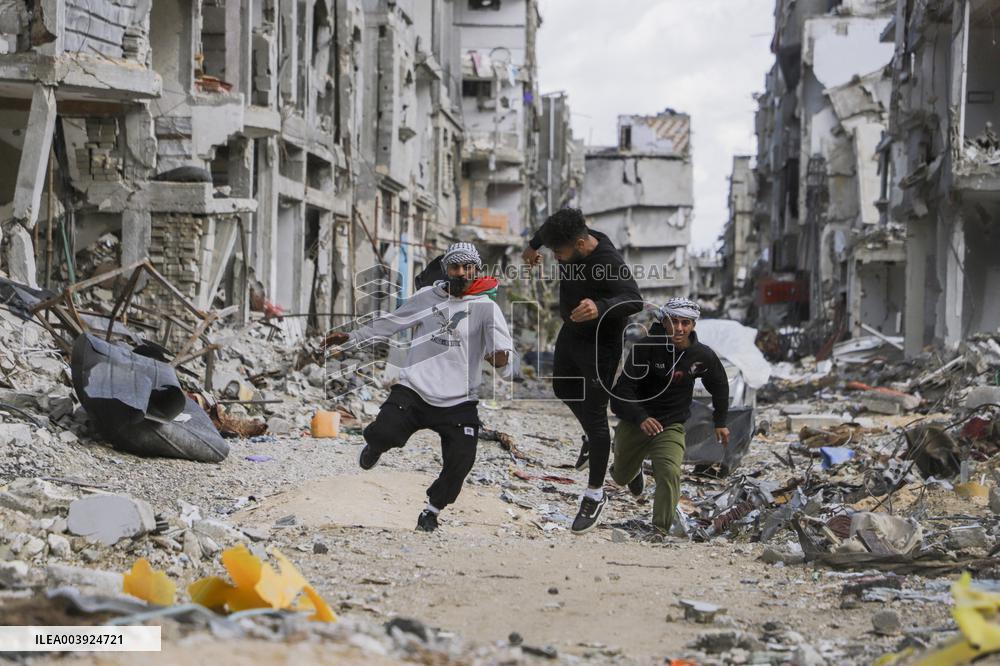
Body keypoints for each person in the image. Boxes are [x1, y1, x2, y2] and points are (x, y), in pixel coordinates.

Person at [328, 242, 512, 532]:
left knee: (462, 460)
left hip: (459, 400)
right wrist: (351, 339)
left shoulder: (487, 308)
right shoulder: (428, 297)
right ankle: (375, 446)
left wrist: (499, 358)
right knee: (384, 432)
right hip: (415, 389)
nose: (461, 272)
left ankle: (432, 510)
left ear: (477, 270)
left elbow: (502, 356)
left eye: (468, 267)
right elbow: (389, 324)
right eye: (455, 266)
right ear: (446, 269)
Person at [522, 208, 642, 534]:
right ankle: (596, 440)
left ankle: (595, 494)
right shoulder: (569, 239)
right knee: (562, 388)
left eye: (558, 253)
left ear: (579, 242)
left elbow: (634, 300)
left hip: (601, 345)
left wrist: (600, 307)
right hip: (572, 331)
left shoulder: (608, 261)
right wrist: (533, 246)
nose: (556, 258)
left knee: (596, 416)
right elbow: (547, 227)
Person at [609, 298, 730, 535]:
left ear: (693, 325)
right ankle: (633, 471)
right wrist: (641, 417)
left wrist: (721, 422)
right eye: (674, 321)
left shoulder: (701, 355)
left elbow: (719, 384)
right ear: (664, 321)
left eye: (685, 323)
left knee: (670, 471)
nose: (679, 328)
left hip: (670, 425)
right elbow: (622, 391)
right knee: (620, 477)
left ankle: (660, 529)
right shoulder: (645, 348)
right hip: (637, 422)